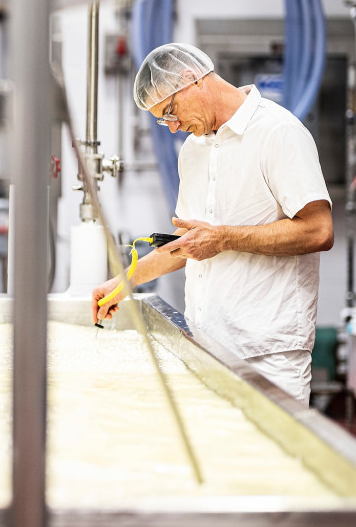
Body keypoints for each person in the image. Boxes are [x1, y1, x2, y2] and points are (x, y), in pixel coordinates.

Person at [92, 42, 333, 406]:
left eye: (170, 111)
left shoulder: (278, 131)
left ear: (192, 80)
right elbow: (190, 242)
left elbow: (319, 230)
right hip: (206, 345)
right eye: (162, 119)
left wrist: (222, 239)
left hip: (267, 353)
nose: (172, 127)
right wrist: (123, 282)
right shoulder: (194, 150)